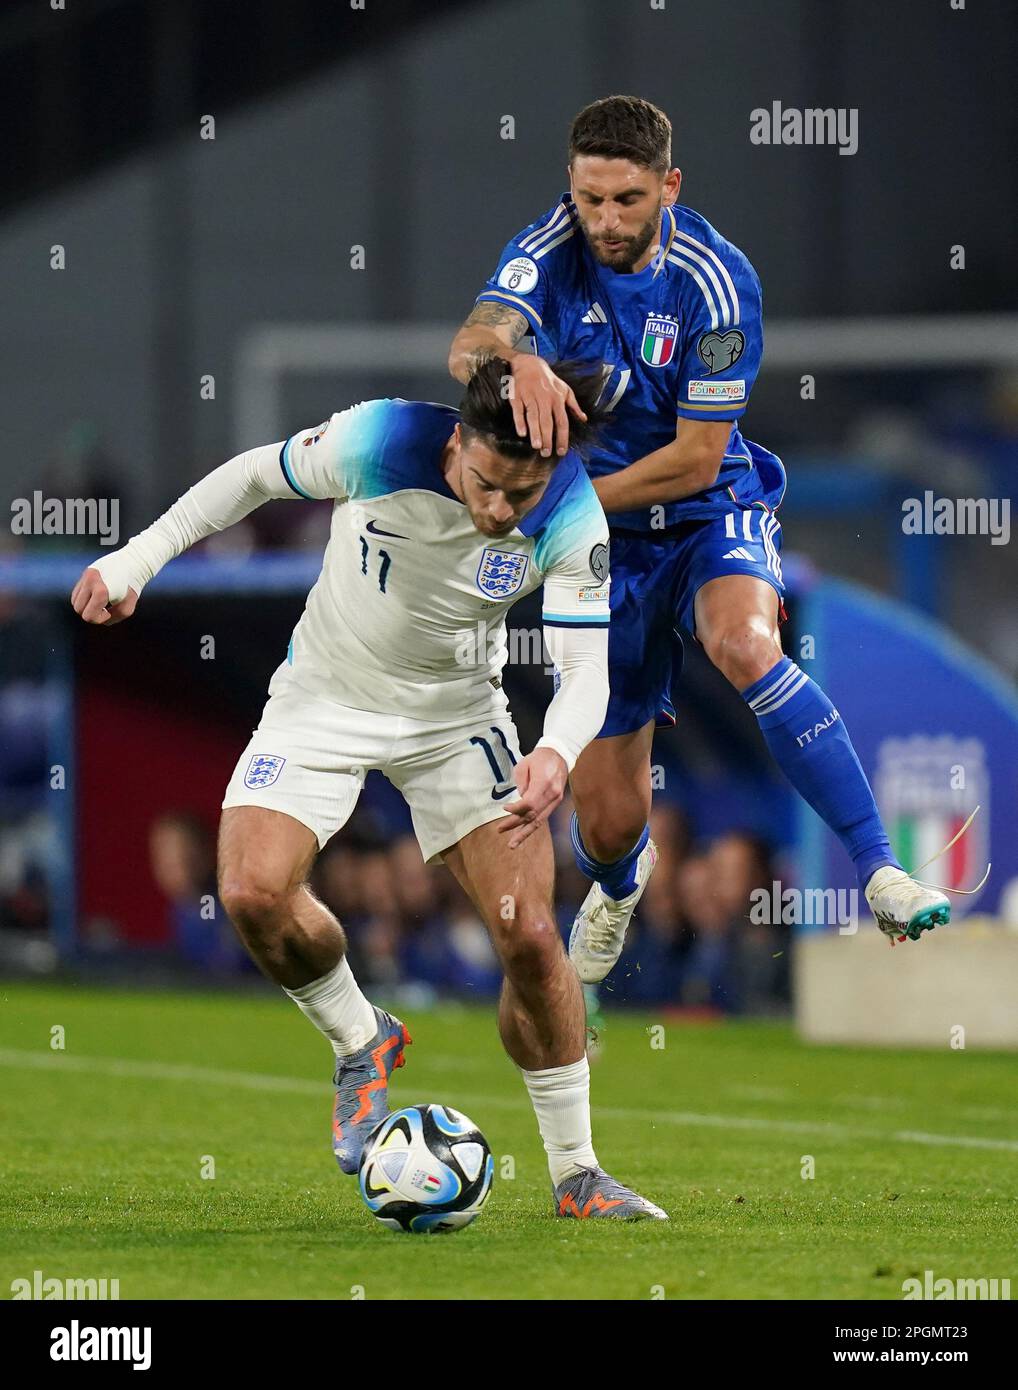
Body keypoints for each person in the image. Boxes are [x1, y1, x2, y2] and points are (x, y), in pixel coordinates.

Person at [70, 358, 666, 1221]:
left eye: (521, 494)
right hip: (326, 697)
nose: (501, 511)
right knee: (251, 892)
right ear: (457, 443)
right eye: (489, 485)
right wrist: (139, 557)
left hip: (457, 718)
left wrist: (557, 750)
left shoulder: (571, 512)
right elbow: (249, 478)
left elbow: (584, 671)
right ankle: (363, 1038)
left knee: (532, 936)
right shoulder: (378, 438)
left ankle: (577, 1173)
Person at [449, 94, 950, 979]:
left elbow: (694, 457)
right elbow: (471, 342)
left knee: (745, 643)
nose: (603, 220)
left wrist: (572, 502)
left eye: (626, 201)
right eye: (590, 197)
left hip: (704, 510)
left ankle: (878, 868)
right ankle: (617, 882)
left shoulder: (717, 282)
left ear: (669, 187)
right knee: (606, 824)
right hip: (609, 549)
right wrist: (513, 357)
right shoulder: (549, 246)